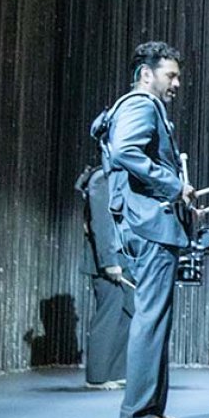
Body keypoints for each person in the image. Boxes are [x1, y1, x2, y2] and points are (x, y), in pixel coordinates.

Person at [89, 41, 194, 418]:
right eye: (171, 75)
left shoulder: (140, 107)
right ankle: (138, 414)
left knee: (155, 317)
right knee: (151, 317)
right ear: (146, 74)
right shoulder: (140, 104)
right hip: (150, 226)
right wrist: (174, 185)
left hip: (148, 223)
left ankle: (151, 408)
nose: (177, 83)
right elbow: (127, 152)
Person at [74, 163, 133, 390]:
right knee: (108, 314)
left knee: (128, 310)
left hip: (123, 256)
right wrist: (109, 261)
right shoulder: (102, 178)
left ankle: (116, 371)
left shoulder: (119, 177)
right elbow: (101, 222)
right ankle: (97, 376)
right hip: (108, 259)